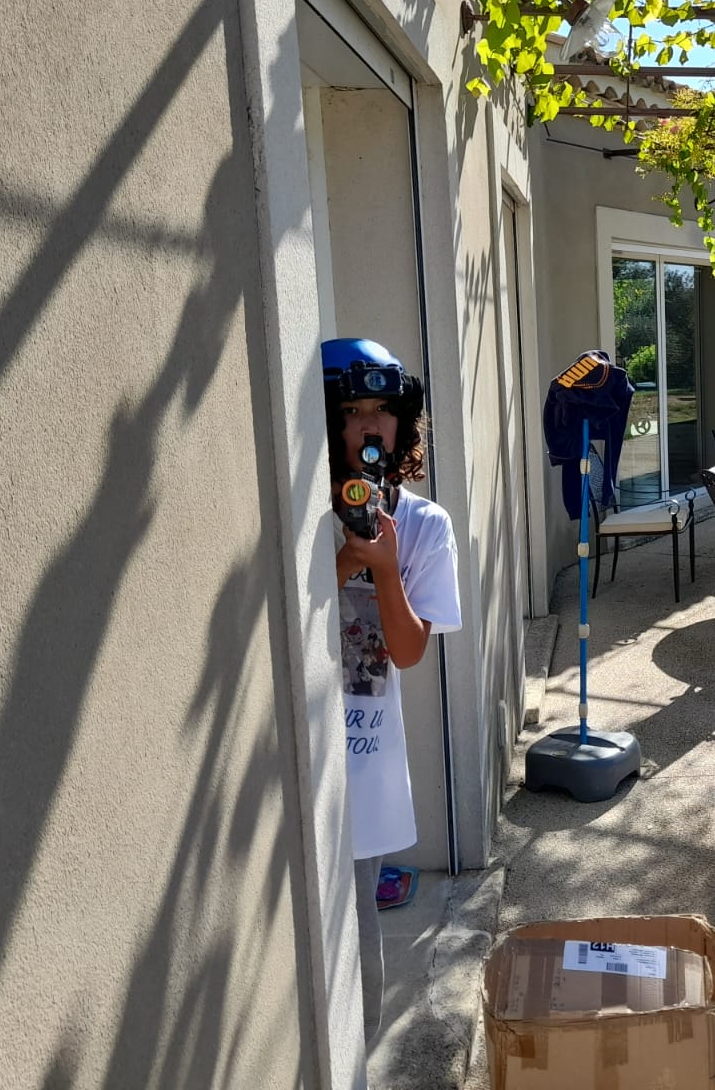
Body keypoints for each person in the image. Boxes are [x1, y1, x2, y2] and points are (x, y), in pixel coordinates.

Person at [322, 337, 462, 1046]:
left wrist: (380, 566)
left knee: (354, 922)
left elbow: (406, 652)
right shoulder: (301, 521)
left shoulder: (423, 524)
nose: (369, 425)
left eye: (382, 410)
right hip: (294, 747)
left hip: (364, 756)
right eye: (352, 411)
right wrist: (335, 557)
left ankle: (353, 1059)